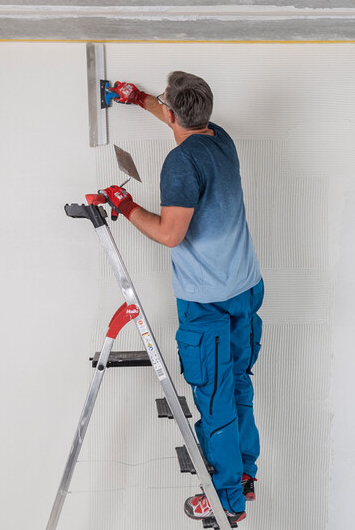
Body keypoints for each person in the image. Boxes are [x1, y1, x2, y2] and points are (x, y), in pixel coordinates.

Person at [102, 72, 264, 525]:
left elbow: (171, 235)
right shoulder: (220, 138)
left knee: (213, 400)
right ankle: (244, 475)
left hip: (208, 300)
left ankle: (227, 501)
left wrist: (124, 205)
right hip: (245, 289)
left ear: (174, 113)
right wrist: (136, 100)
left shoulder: (180, 163)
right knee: (237, 386)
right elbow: (171, 112)